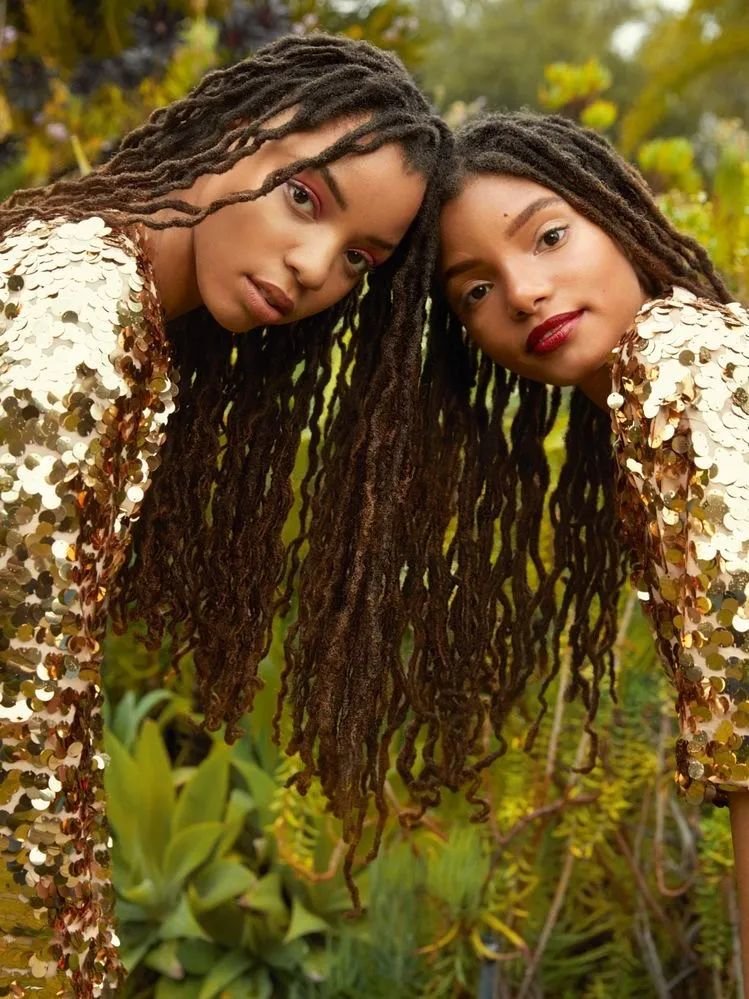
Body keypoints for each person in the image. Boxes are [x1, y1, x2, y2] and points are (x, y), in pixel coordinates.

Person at [0, 33, 450, 997]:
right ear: (231, 132)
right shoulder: (81, 310)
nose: (314, 268)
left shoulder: (119, 303)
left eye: (359, 258)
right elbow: (18, 694)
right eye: (305, 198)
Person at [429, 110, 749, 990]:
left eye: (548, 237)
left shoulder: (685, 377)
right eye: (474, 290)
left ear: (616, 211)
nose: (522, 292)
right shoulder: (679, 372)